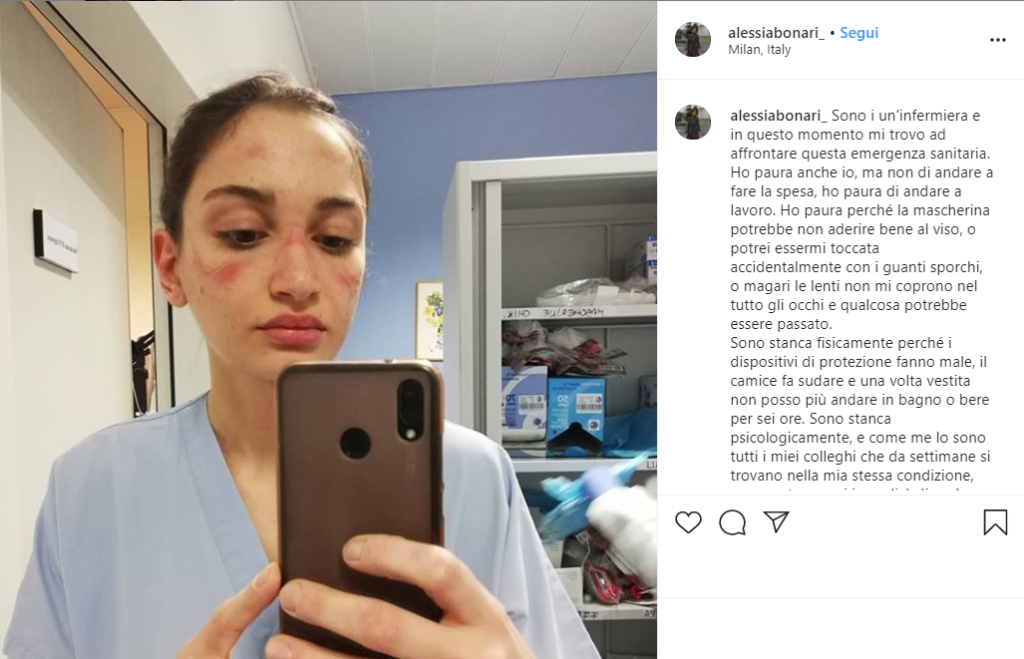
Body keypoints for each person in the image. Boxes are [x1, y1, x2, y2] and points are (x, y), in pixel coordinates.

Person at [3, 74, 598, 659]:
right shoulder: (90, 488)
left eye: (334, 239)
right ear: (170, 265)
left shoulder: (474, 477)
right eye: (242, 233)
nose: (297, 281)